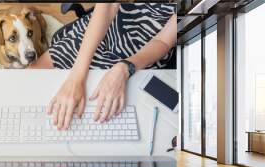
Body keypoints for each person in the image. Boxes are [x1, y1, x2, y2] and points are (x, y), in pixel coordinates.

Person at [29, 3, 177, 130]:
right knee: (31, 75)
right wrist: (75, 78)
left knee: (102, 112)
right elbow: (107, 7)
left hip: (146, 46)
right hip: (107, 22)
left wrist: (123, 68)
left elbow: (164, 40)